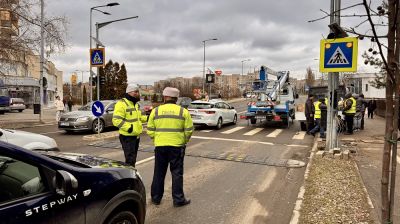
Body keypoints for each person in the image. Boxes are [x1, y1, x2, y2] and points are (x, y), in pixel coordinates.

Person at [147, 87, 194, 207]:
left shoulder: (156, 111)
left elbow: (150, 129)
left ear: (165, 97)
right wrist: (184, 140)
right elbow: (189, 130)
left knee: (159, 173)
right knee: (177, 173)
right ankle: (178, 199)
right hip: (177, 147)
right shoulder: (183, 111)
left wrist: (156, 139)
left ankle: (156, 198)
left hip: (160, 146)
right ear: (176, 98)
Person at [112, 84, 147, 166]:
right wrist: (129, 128)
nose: (138, 94)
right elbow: (116, 120)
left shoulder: (135, 104)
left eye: (138, 92)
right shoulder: (121, 104)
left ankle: (131, 175)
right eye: (136, 92)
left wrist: (148, 118)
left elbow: (138, 118)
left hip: (136, 136)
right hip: (127, 137)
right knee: (130, 161)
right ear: (129, 92)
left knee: (133, 160)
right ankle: (129, 177)